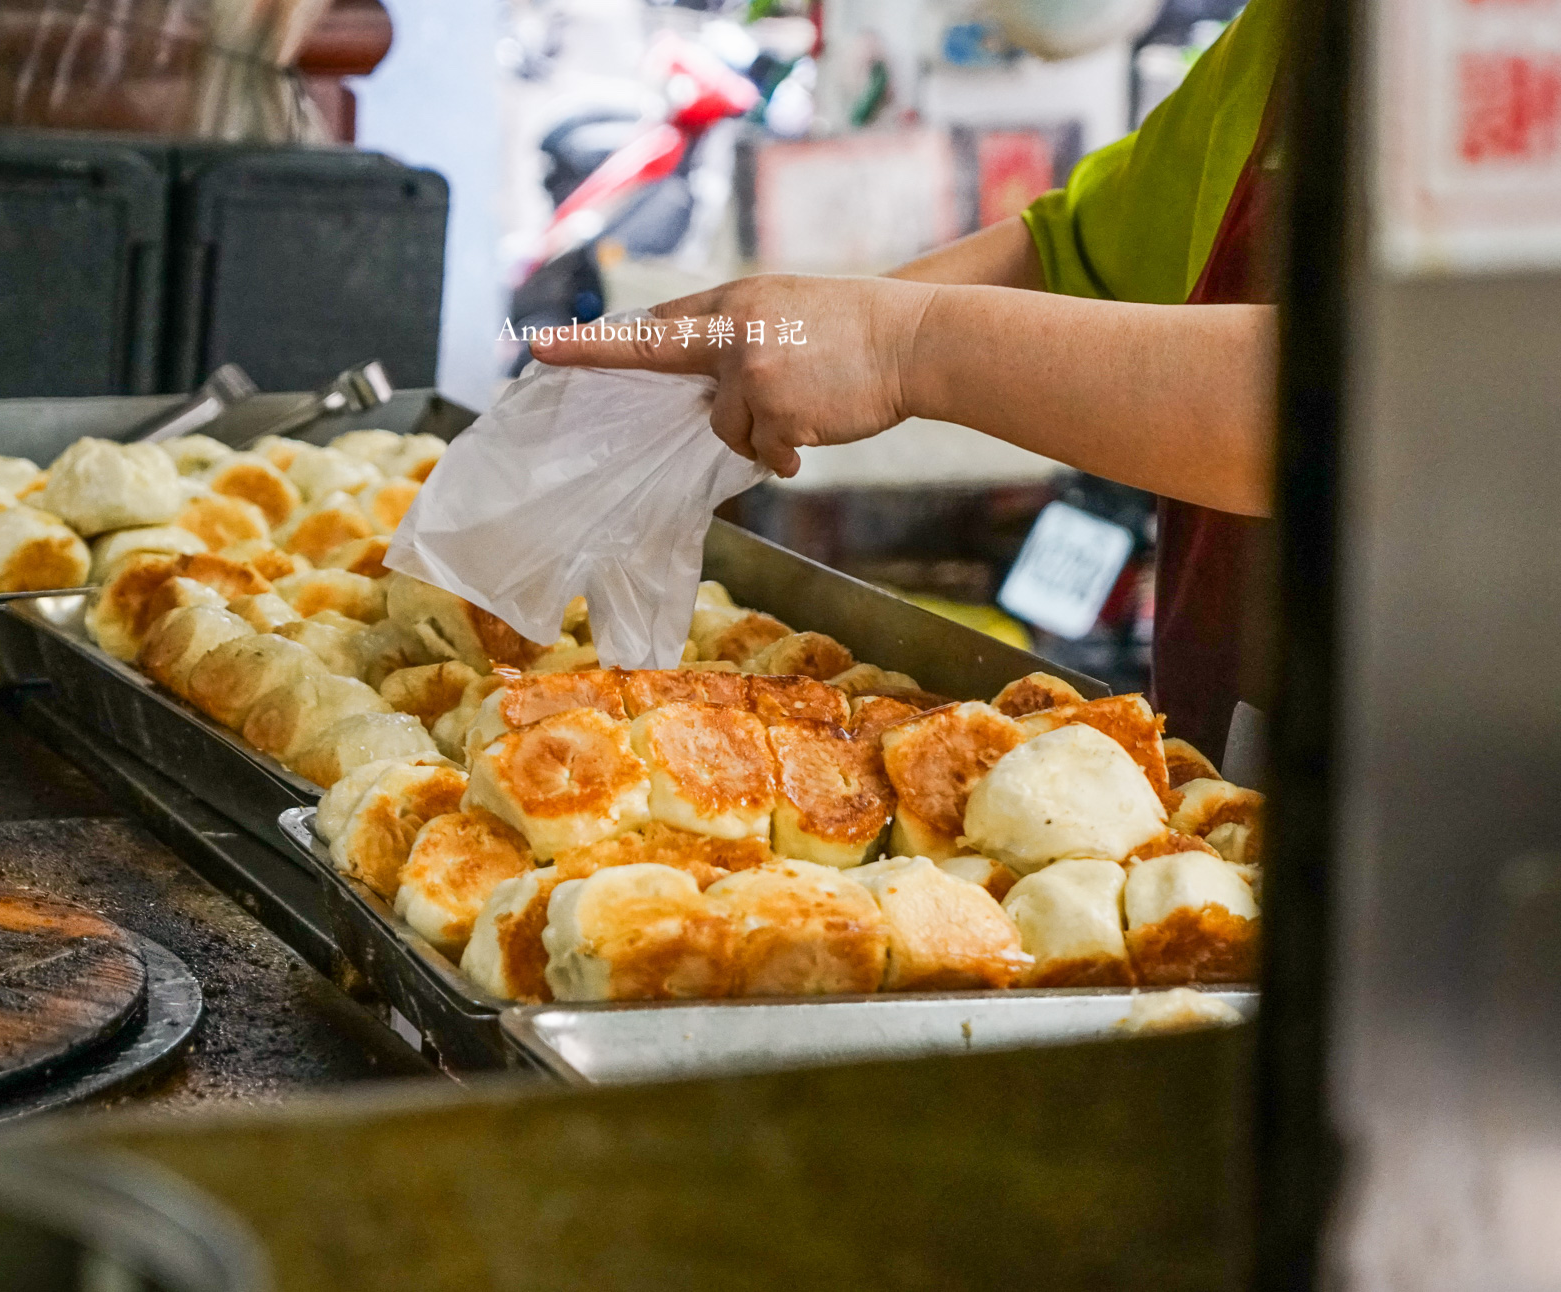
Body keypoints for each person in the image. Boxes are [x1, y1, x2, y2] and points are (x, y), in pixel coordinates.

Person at [533, 0, 1283, 759]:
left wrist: (899, 344)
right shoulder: (1286, 33)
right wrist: (775, 357)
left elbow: (1361, 416)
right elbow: (1072, 259)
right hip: (1223, 758)